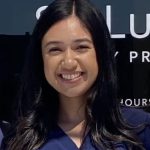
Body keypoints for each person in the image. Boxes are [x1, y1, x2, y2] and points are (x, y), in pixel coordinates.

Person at [1, 0, 150, 149]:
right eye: (55, 49)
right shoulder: (19, 139)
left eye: (81, 47)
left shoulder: (140, 129)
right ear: (40, 59)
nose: (69, 62)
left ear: (100, 53)